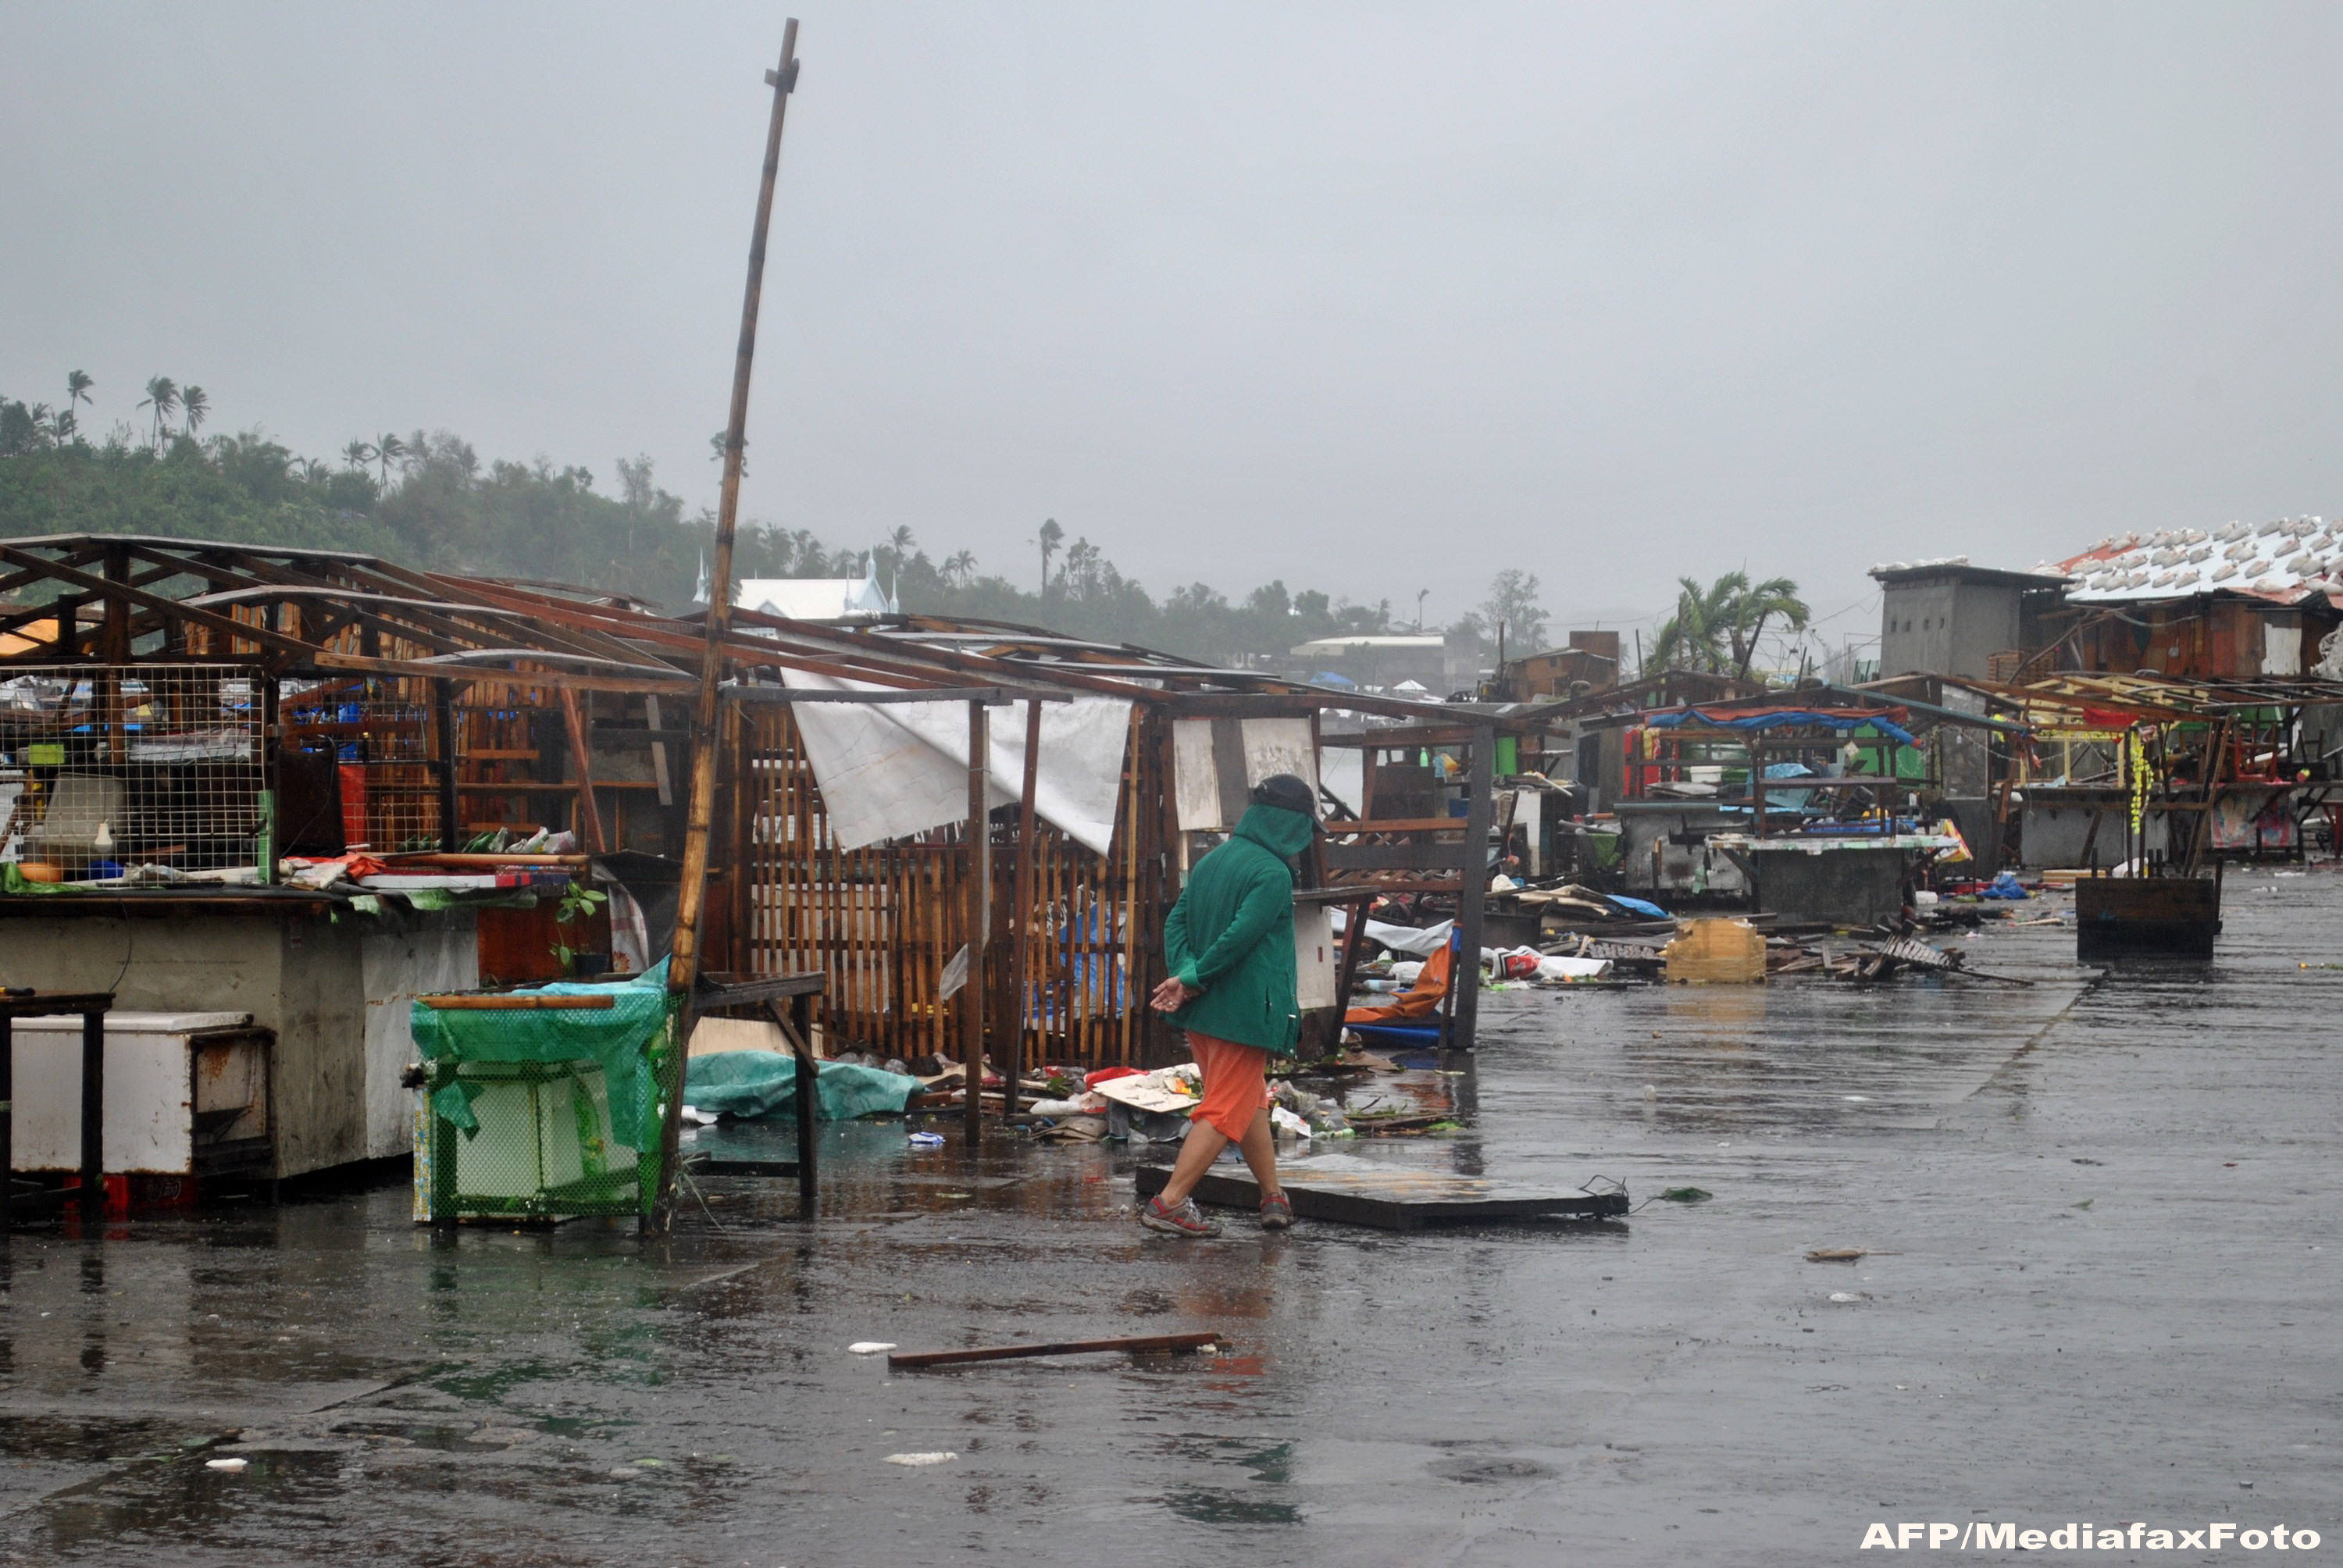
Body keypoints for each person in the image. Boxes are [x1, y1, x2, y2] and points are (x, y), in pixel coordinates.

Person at [1139, 772, 1317, 1238]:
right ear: (1290, 825)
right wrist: (1193, 978)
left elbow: (1175, 923)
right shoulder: (1273, 874)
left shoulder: (1212, 861)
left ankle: (1272, 1196)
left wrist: (1186, 975)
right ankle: (1170, 1202)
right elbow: (1241, 937)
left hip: (1207, 1012)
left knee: (1249, 1099)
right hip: (1245, 1012)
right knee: (1224, 1108)